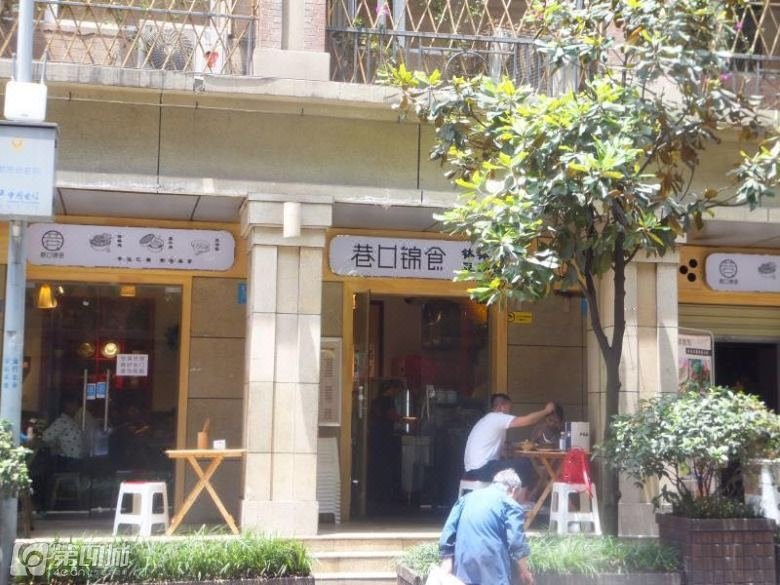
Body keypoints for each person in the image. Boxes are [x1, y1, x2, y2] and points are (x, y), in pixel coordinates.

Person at [439, 469, 534, 585]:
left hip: (463, 564)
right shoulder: (510, 504)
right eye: (517, 498)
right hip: (492, 567)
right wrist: (524, 571)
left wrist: (447, 561)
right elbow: (516, 542)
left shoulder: (466, 499)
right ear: (513, 490)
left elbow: (448, 531)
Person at [463, 394, 556, 497]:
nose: (510, 412)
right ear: (501, 406)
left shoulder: (487, 420)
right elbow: (528, 420)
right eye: (509, 408)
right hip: (481, 470)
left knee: (516, 464)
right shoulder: (496, 417)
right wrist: (547, 411)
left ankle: (516, 499)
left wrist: (513, 447)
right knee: (524, 464)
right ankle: (521, 502)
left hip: (472, 470)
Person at [367, 379, 404, 509]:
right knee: (387, 466)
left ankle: (374, 494)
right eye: (397, 390)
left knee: (376, 465)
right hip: (385, 437)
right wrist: (404, 420)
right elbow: (392, 415)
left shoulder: (375, 401)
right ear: (391, 389)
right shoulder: (388, 401)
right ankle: (386, 495)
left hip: (375, 436)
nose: (398, 393)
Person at [42, 397, 86, 470]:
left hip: (71, 460)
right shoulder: (62, 421)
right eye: (75, 405)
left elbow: (47, 437)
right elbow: (45, 437)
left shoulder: (68, 420)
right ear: (68, 405)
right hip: (69, 460)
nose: (77, 408)